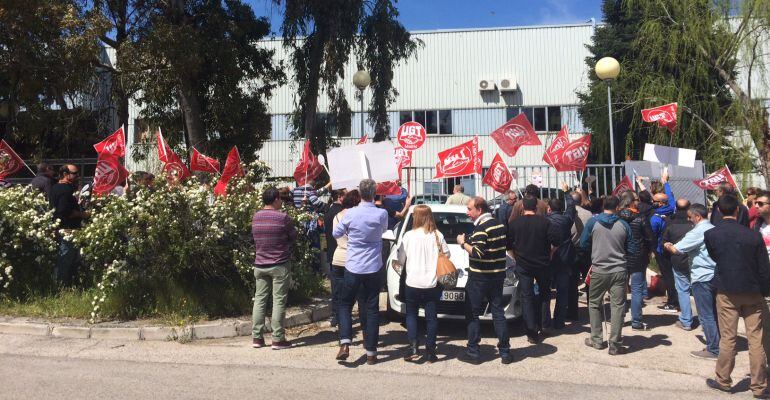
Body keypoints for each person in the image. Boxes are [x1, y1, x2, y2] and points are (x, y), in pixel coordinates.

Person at [704, 194, 770, 398]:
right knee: (756, 339)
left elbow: (716, 257)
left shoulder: (711, 234)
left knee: (728, 337)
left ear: (718, 211)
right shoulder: (753, 235)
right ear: (737, 210)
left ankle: (723, 380)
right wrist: (764, 290)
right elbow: (763, 267)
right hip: (752, 290)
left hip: (726, 290)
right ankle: (759, 386)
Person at [333, 179, 388, 365]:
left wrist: (351, 234)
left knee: (345, 304)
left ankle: (345, 342)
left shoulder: (351, 213)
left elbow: (336, 233)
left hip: (353, 265)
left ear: (360, 192)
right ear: (374, 193)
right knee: (372, 309)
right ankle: (371, 352)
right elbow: (384, 230)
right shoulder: (382, 213)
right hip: (373, 266)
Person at [457, 196, 512, 364]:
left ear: (479, 210)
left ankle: (473, 350)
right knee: (498, 312)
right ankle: (505, 351)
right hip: (497, 275)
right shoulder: (500, 225)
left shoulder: (482, 228)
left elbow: (478, 253)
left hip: (480, 277)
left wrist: (462, 243)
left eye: (469, 209)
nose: (467, 212)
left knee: (472, 313)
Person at [579, 195, 637, 355]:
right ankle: (615, 344)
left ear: (604, 205)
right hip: (619, 270)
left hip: (599, 269)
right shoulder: (624, 224)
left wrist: (596, 247)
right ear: (618, 207)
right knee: (618, 306)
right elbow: (632, 248)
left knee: (594, 304)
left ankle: (596, 339)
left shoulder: (593, 222)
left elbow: (583, 243)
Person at [394, 205, 450, 363]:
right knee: (431, 318)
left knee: (411, 314)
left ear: (415, 217)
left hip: (412, 282)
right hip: (432, 283)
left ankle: (413, 347)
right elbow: (447, 255)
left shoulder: (409, 236)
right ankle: (431, 351)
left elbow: (401, 259)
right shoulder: (437, 235)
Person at [663, 203, 719, 360]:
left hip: (702, 276)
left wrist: (668, 245)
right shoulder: (713, 228)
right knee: (714, 312)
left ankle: (713, 348)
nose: (689, 220)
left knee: (706, 314)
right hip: (715, 274)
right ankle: (718, 342)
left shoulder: (698, 231)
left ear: (697, 216)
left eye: (690, 217)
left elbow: (677, 249)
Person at [250, 186, 297, 350]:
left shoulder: (256, 217)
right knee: (278, 301)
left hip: (260, 263)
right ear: (276, 199)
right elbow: (293, 237)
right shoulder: (283, 218)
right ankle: (277, 338)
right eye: (280, 199)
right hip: (279, 264)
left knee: (260, 300)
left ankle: (257, 337)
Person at [509, 195, 560, 342]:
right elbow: (556, 240)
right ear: (536, 208)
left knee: (527, 297)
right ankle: (545, 324)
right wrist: (551, 253)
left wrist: (514, 257)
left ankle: (531, 332)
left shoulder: (515, 224)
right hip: (542, 263)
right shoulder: (545, 222)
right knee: (544, 294)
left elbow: (508, 245)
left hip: (523, 265)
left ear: (523, 207)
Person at [618, 191, 654, 331]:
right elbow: (650, 237)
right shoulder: (641, 218)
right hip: (639, 256)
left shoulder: (616, 218)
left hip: (620, 256)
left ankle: (618, 319)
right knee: (637, 289)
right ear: (632, 202)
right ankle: (636, 321)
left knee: (620, 289)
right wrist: (649, 251)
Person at [49, 164, 89, 286]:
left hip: (61, 229)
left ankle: (69, 285)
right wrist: (83, 214)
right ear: (65, 175)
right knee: (66, 260)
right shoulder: (65, 190)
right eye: (75, 173)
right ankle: (61, 287)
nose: (77, 176)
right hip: (67, 230)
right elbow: (64, 212)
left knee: (69, 259)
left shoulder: (55, 187)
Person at [545, 193, 577, 330]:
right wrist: (567, 193)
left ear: (549, 209)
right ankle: (559, 321)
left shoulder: (545, 221)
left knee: (545, 291)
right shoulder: (566, 220)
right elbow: (571, 206)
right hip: (564, 259)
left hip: (549, 259)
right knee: (562, 291)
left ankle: (545, 320)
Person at [662, 199, 694, 330]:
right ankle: (706, 321)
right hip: (695, 261)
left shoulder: (670, 223)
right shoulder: (695, 224)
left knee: (683, 290)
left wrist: (669, 247)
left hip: (678, 260)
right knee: (699, 291)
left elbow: (664, 242)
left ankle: (686, 320)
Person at [650, 171, 678, 313]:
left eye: (654, 201)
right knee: (673, 274)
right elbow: (671, 199)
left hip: (661, 250)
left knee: (668, 276)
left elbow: (651, 235)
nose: (652, 202)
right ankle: (675, 299)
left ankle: (672, 302)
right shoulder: (671, 209)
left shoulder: (655, 218)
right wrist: (665, 182)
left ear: (661, 203)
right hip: (672, 248)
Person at [751, 191, 770, 363]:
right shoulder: (757, 225)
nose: (756, 206)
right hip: (763, 281)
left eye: (761, 203)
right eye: (756, 203)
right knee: (765, 325)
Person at [324, 189, 346, 326]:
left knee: (336, 288)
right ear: (340, 197)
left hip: (332, 254)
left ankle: (336, 315)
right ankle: (342, 315)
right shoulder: (342, 213)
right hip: (343, 253)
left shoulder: (328, 211)